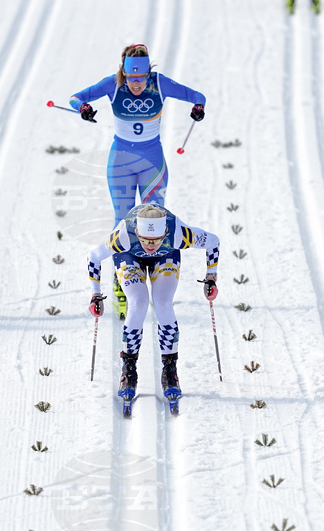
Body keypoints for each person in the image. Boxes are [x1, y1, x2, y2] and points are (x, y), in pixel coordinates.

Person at [69, 44, 207, 315]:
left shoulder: (159, 84)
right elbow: (75, 97)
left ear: (148, 74)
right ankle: (121, 279)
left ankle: (157, 278)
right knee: (123, 221)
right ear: (124, 73)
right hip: (120, 161)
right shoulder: (114, 83)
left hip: (151, 162)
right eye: (132, 79)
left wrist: (198, 107)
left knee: (153, 221)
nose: (136, 85)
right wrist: (83, 108)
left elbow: (196, 95)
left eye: (141, 79)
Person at [86, 203, 220, 408]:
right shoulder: (123, 236)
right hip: (129, 255)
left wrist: (211, 276)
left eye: (156, 240)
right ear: (137, 233)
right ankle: (128, 369)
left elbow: (213, 241)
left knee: (163, 302)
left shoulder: (179, 234)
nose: (150, 245)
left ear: (164, 233)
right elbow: (94, 255)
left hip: (166, 255)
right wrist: (96, 295)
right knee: (138, 302)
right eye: (146, 240)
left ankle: (170, 370)